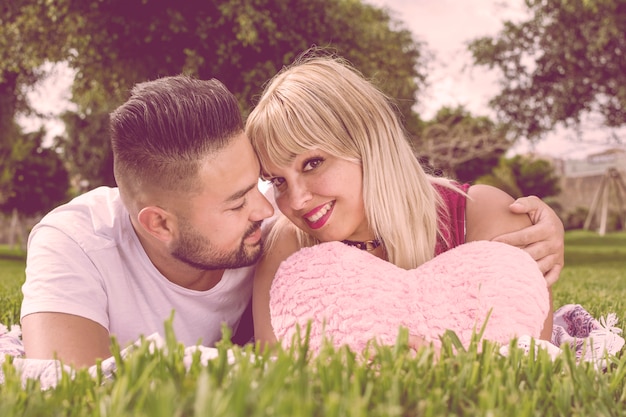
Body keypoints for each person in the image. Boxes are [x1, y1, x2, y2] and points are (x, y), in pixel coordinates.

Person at [244, 51, 562, 349]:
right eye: (278, 181)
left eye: (313, 163)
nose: (296, 201)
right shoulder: (288, 247)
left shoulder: (482, 216)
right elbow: (277, 368)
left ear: (368, 142)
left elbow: (528, 356)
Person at [20, 75, 275, 367]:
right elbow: (67, 388)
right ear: (160, 224)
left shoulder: (280, 221)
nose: (266, 209)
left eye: (258, 183)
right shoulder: (75, 242)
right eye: (238, 203)